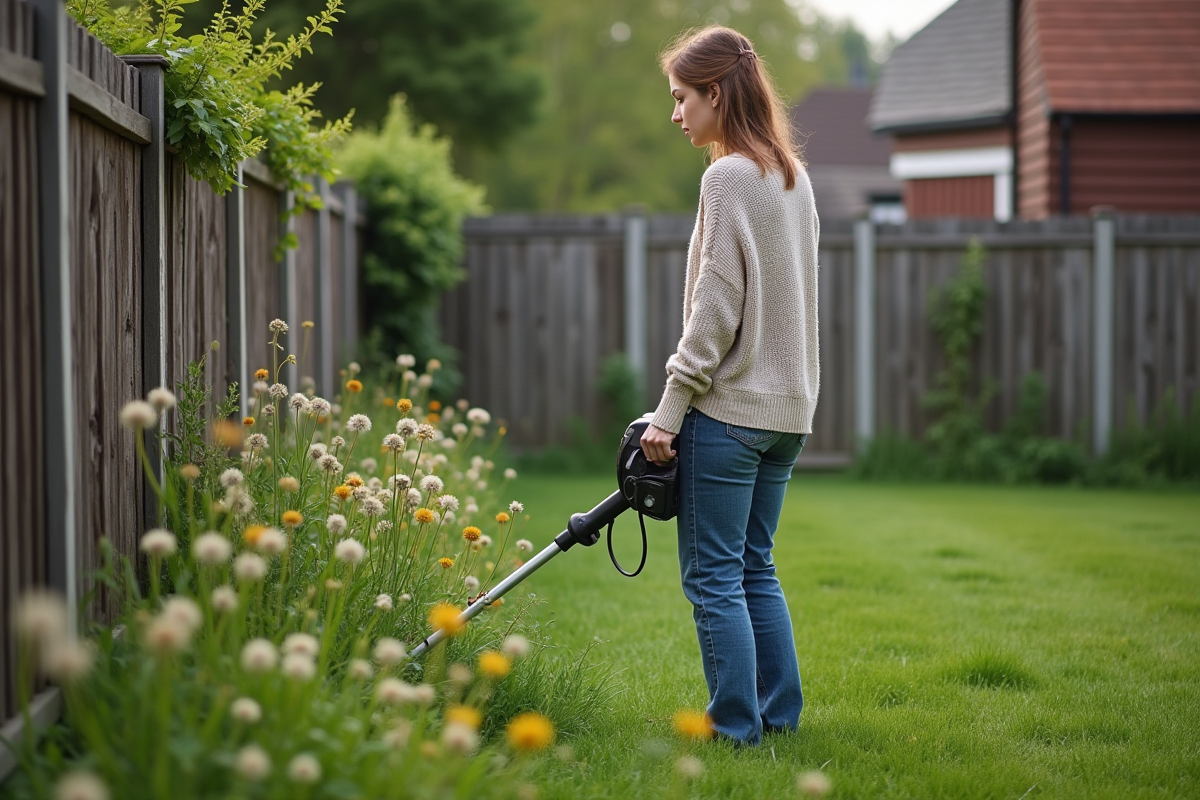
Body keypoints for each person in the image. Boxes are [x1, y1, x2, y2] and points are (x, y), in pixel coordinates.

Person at [640, 25, 820, 747]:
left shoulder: (728, 177)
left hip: (730, 412)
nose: (676, 113)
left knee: (714, 577)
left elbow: (714, 308)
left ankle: (735, 728)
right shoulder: (792, 177)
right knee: (755, 567)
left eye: (682, 98)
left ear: (716, 91)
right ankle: (779, 719)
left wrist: (668, 411)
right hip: (788, 416)